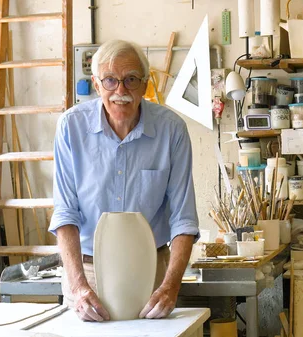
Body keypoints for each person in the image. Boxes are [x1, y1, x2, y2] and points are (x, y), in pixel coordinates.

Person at [49, 40, 199, 322]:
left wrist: (170, 285)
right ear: (96, 84)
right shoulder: (71, 127)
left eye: (131, 80)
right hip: (88, 271)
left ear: (144, 84)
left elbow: (184, 219)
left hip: (152, 271)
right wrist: (79, 286)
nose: (121, 91)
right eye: (110, 80)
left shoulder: (171, 130)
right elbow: (65, 213)